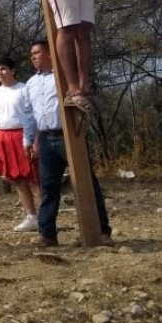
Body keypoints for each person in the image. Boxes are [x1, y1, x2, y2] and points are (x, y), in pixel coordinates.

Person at [23, 40, 113, 247]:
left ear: (49, 53)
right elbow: (29, 114)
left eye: (36, 52)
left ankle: (101, 230)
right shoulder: (31, 83)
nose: (33, 57)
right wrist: (30, 139)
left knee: (86, 182)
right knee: (48, 187)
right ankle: (47, 235)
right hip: (46, 138)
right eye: (31, 54)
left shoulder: (64, 77)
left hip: (68, 135)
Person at [0, 56, 40, 232]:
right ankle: (31, 216)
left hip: (23, 135)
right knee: (17, 178)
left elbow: (33, 117)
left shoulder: (24, 90)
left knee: (33, 177)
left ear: (12, 70)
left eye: (3, 69)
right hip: (4, 137)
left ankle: (45, 216)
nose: (0, 73)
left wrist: (34, 141)